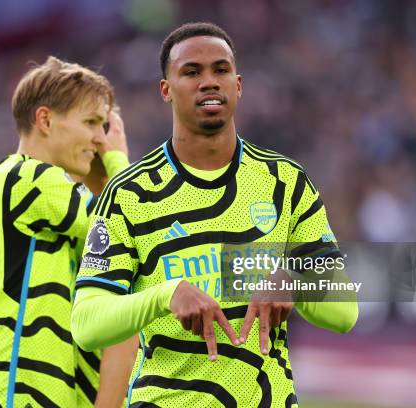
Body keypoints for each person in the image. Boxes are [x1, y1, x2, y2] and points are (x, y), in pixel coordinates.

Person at [71, 22, 358, 407]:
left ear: (237, 85)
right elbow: (87, 324)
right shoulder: (130, 194)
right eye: (191, 72)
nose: (209, 81)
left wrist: (293, 280)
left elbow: (345, 312)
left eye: (220, 70)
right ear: (166, 90)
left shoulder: (285, 183)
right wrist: (165, 295)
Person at [0, 56, 131, 408]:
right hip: (7, 396)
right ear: (45, 119)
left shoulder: (29, 200)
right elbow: (128, 231)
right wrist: (119, 159)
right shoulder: (27, 179)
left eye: (103, 126)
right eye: (90, 122)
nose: (98, 139)